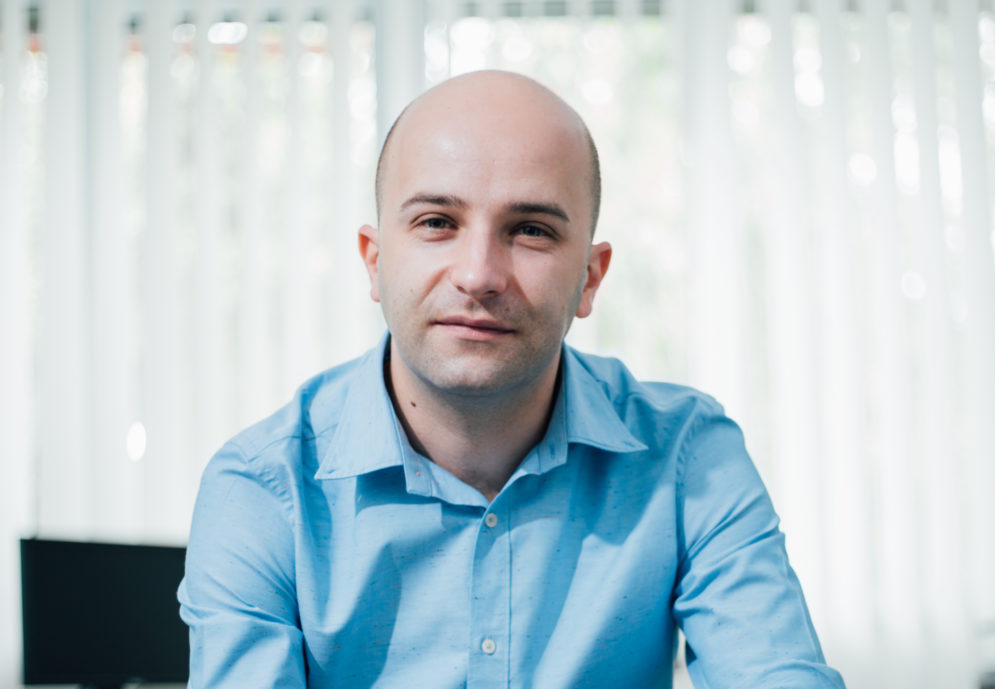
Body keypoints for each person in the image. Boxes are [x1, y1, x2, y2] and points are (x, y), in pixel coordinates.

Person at [178, 70, 846, 688]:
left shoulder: (688, 456)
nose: (479, 275)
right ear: (374, 261)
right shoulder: (261, 488)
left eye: (530, 230)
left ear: (590, 278)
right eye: (437, 222)